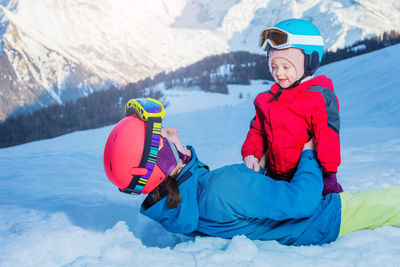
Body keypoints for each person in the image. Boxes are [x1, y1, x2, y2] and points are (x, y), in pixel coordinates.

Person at [103, 98, 400, 246]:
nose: (174, 131)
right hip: (323, 218)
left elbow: (207, 190)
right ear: (164, 159)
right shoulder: (224, 186)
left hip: (297, 222)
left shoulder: (177, 207)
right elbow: (302, 203)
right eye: (165, 135)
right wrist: (309, 153)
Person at [241, 18, 342, 195]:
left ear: (309, 62)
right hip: (274, 176)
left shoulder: (318, 97)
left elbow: (328, 134)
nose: (278, 73)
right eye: (274, 66)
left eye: (286, 67)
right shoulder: (267, 99)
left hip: (308, 176)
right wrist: (252, 153)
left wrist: (329, 175)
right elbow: (257, 130)